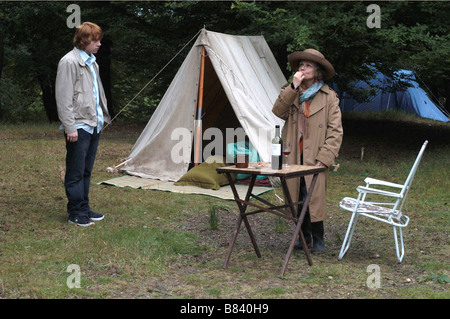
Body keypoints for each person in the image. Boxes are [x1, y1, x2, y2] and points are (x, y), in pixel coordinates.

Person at [272, 48, 343, 252]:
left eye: (308, 65)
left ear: (317, 71)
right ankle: (302, 237)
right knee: (296, 194)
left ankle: (318, 238)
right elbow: (278, 111)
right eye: (301, 65)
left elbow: (335, 131)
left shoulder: (329, 97)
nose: (303, 68)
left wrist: (325, 157)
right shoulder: (291, 91)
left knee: (314, 197)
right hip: (294, 153)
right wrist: (293, 87)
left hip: (316, 155)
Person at [55, 22, 111, 227]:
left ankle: (84, 208)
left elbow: (97, 93)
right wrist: (70, 127)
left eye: (99, 40)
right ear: (84, 40)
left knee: (86, 170)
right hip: (78, 126)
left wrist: (102, 118)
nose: (99, 44)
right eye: (95, 40)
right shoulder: (69, 62)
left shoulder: (92, 62)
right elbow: (63, 98)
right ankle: (75, 212)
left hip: (93, 124)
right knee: (75, 171)